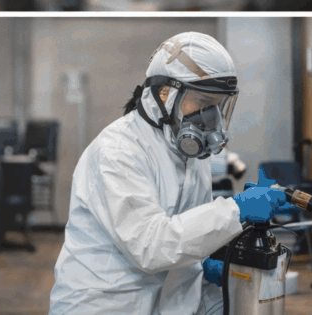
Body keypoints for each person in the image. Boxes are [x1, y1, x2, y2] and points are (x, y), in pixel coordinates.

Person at [49, 32, 292, 315]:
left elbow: (183, 231)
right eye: (202, 102)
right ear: (164, 94)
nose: (210, 117)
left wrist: (202, 265)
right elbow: (151, 246)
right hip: (106, 305)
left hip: (167, 302)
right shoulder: (117, 151)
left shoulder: (188, 153)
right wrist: (236, 210)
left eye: (217, 105)